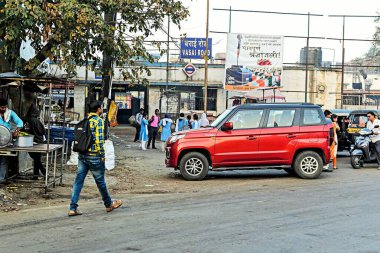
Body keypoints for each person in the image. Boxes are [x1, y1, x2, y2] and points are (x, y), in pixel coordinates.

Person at [68, 101, 122, 216]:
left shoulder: (84, 120)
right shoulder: (98, 121)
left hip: (82, 155)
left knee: (78, 181)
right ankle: (108, 204)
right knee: (100, 182)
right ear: (98, 109)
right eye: (101, 108)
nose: (102, 109)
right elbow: (99, 141)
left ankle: (72, 208)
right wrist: (102, 155)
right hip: (94, 156)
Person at [0, 98, 23, 183]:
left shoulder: (10, 113)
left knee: (4, 160)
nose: (3, 109)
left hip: (6, 140)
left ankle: (1, 179)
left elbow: (20, 122)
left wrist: (16, 131)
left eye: (4, 107)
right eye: (1, 107)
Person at [24, 104, 46, 179]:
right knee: (37, 159)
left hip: (27, 141)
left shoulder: (25, 119)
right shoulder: (37, 121)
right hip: (38, 142)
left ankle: (36, 175)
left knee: (36, 158)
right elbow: (42, 131)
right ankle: (43, 172)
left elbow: (22, 130)